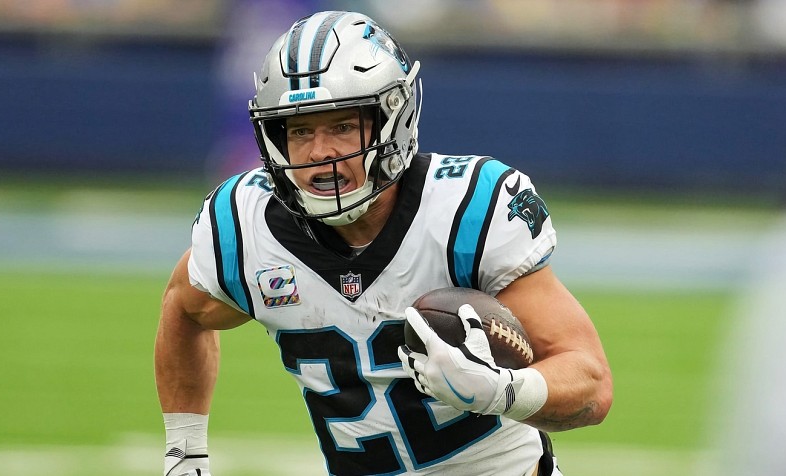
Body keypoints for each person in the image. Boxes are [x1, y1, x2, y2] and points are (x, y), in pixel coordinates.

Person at [155, 10, 612, 476]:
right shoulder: (247, 226)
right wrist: (184, 454)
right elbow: (184, 308)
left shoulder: (464, 211)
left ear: (392, 120)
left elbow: (591, 383)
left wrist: (502, 390)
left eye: (342, 126)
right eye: (299, 130)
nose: (319, 152)